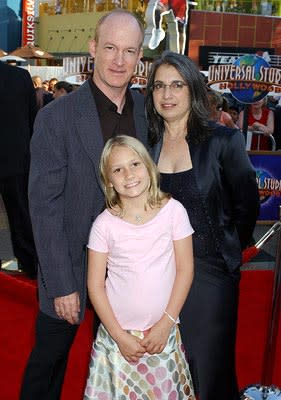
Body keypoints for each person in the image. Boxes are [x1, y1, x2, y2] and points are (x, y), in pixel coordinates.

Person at [20, 9, 147, 400]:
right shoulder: (57, 116)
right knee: (50, 365)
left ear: (139, 57)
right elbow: (44, 206)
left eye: (129, 51)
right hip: (70, 267)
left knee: (119, 370)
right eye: (110, 47)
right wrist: (60, 284)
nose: (119, 60)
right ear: (93, 48)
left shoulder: (147, 112)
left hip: (127, 274)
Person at [145, 51, 260, 400]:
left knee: (207, 369)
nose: (167, 95)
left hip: (210, 275)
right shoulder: (146, 145)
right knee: (162, 371)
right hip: (156, 275)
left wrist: (226, 250)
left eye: (176, 85)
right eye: (159, 86)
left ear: (193, 90)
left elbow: (247, 206)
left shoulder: (223, 141)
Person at [84, 135, 195, 399]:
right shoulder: (104, 224)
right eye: (117, 169)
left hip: (162, 333)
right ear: (108, 180)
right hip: (117, 339)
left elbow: (185, 270)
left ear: (148, 166)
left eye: (135, 164)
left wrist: (166, 324)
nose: (128, 174)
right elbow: (95, 285)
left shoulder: (174, 212)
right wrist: (118, 335)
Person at [0, 62, 38, 279]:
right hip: (18, 158)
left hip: (17, 158)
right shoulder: (20, 76)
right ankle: (31, 265)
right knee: (21, 215)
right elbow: (33, 118)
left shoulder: (20, 77)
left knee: (21, 214)